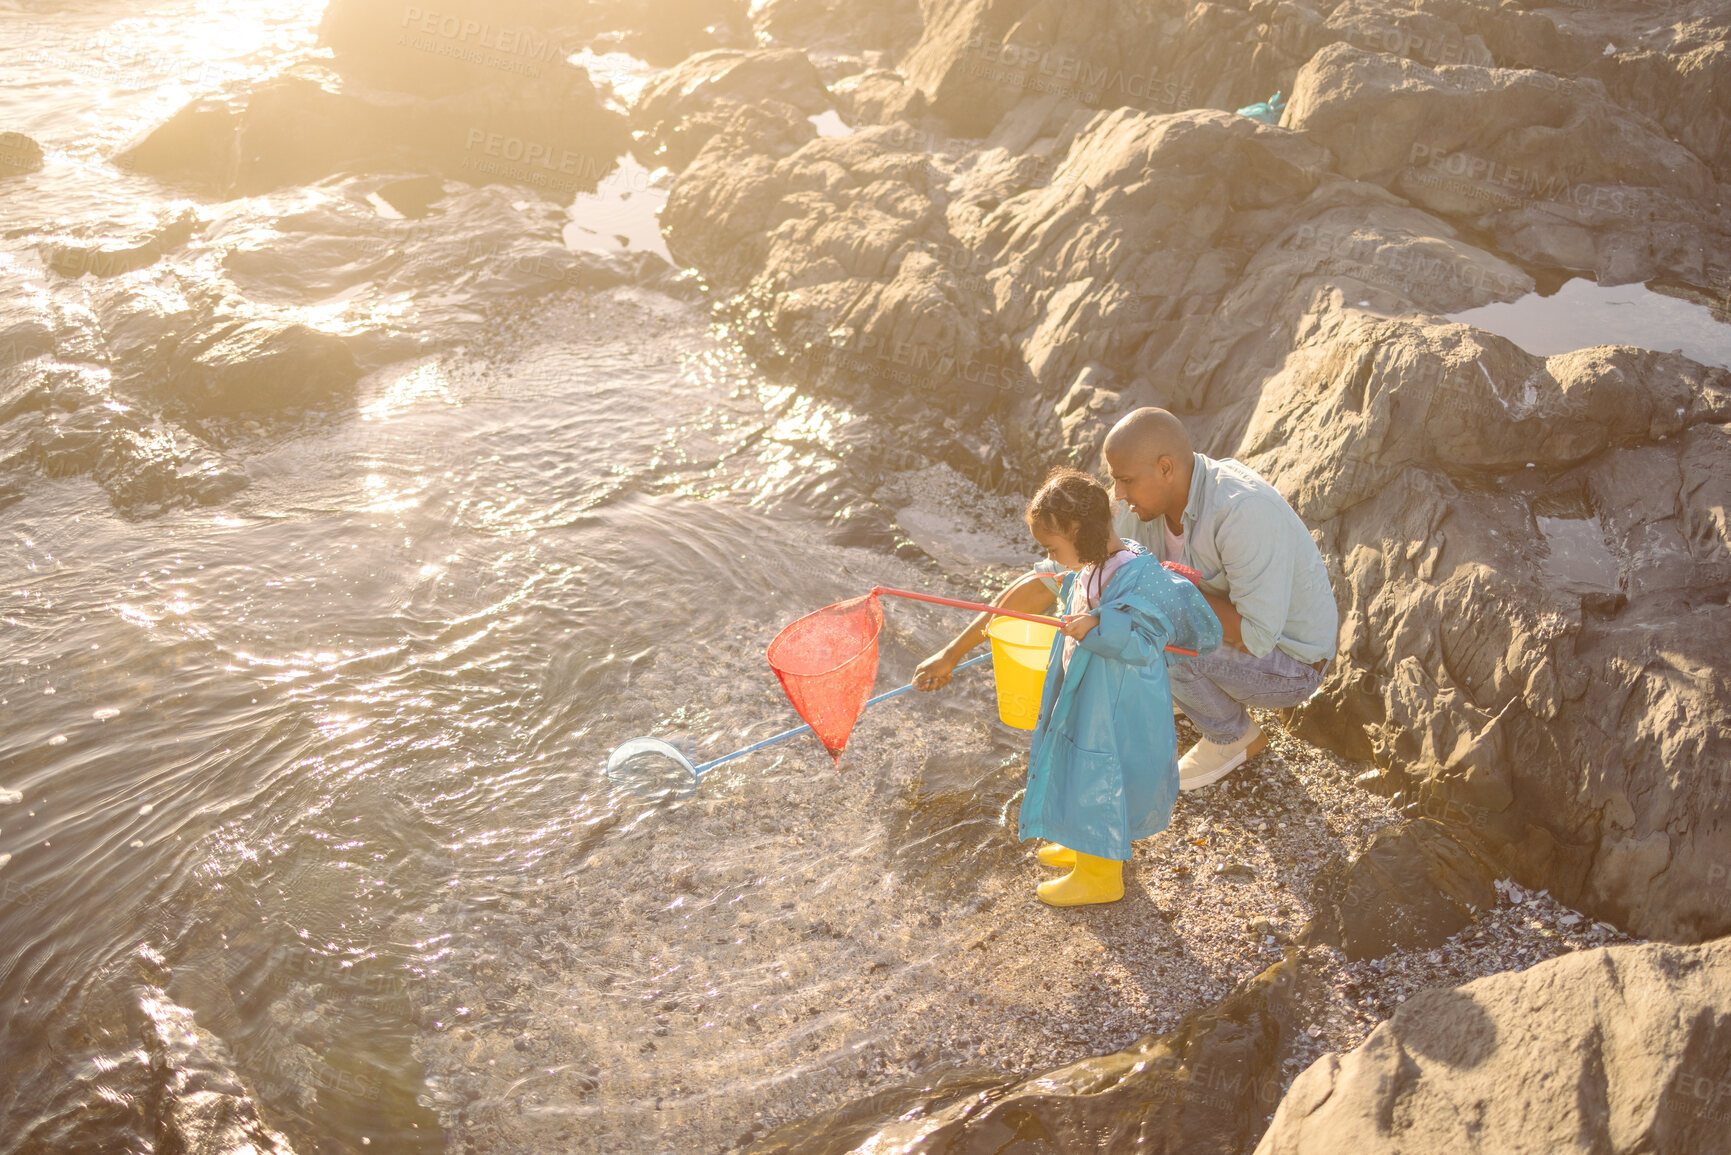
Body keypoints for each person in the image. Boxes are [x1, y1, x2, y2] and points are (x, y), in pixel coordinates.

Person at [914, 408, 1338, 791]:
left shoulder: (1241, 512)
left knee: (1145, 626)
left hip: (1290, 665)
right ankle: (1183, 694)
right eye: (1114, 479)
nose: (1117, 493)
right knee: (1103, 598)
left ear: (1166, 468)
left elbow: (1257, 637)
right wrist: (952, 653)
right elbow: (1049, 579)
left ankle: (1231, 735)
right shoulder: (1144, 504)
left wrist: (1158, 590)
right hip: (1231, 642)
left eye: (1126, 480)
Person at [933, 467, 1220, 906]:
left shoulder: (1136, 574)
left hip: (1115, 703)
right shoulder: (1090, 563)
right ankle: (1082, 839)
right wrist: (955, 651)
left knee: (1100, 771)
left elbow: (1145, 641)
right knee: (1073, 758)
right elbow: (1038, 589)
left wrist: (1099, 624)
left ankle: (1101, 875)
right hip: (1087, 689)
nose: (1050, 555)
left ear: (1078, 530)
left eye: (1052, 546)